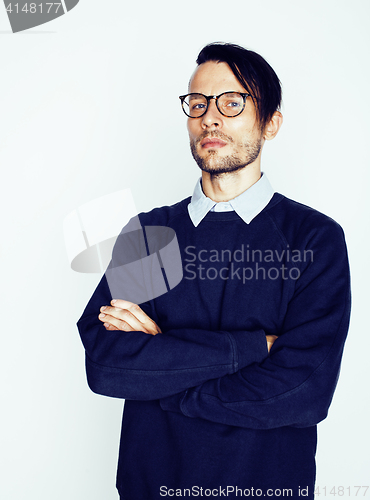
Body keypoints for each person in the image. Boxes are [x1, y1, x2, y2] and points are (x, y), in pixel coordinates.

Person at [77, 43, 351, 500]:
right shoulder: (151, 234)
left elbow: (304, 390)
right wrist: (253, 349)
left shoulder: (312, 239)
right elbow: (107, 365)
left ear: (270, 123)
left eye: (232, 102)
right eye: (198, 104)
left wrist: (161, 361)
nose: (210, 117)